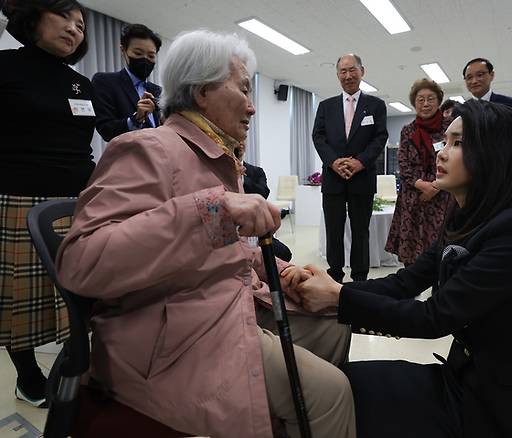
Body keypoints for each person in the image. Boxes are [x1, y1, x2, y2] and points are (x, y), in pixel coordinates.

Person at [56, 30, 356, 438]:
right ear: (200, 93)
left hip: (220, 307)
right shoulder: (149, 148)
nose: (252, 107)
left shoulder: (215, 158)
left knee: (335, 320)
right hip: (171, 338)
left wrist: (282, 270)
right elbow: (82, 262)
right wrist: (213, 210)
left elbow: (216, 250)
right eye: (245, 89)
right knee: (331, 393)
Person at [298, 101, 512, 438]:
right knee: (339, 383)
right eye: (445, 141)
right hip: (462, 379)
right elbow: (406, 281)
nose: (441, 153)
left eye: (459, 143)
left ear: (498, 154)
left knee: (341, 393)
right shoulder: (465, 216)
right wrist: (323, 289)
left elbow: (436, 316)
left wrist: (338, 298)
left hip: (503, 407)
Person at [0, 0, 95, 408]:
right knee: (17, 300)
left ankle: (74, 370)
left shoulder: (81, 84)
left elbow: (82, 148)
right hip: (17, 197)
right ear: (34, 17)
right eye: (65, 18)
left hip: (77, 201)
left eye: (81, 25)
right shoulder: (5, 68)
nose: (75, 30)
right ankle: (29, 380)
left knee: (78, 296)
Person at [312, 53, 388, 282]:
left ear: (362, 71)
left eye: (352, 70)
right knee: (334, 232)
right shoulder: (326, 106)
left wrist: (360, 162)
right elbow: (318, 137)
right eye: (343, 71)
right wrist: (334, 162)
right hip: (333, 179)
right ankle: (334, 277)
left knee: (361, 232)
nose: (348, 75)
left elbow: (380, 137)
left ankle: (359, 279)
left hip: (362, 178)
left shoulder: (376, 105)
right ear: (337, 75)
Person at [385, 78, 454, 266]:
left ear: (438, 101)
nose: (425, 104)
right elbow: (404, 163)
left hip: (442, 198)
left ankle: (440, 292)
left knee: (440, 253)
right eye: (420, 99)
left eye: (430, 98)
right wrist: (421, 184)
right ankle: (410, 293)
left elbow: (455, 160)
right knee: (411, 255)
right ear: (414, 103)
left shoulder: (450, 128)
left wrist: (435, 187)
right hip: (412, 197)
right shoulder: (408, 131)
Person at [92, 23, 162, 142]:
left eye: (151, 56)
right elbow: (106, 129)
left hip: (159, 156)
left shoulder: (157, 90)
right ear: (123, 50)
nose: (145, 60)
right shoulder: (105, 82)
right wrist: (135, 119)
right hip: (128, 157)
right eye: (138, 54)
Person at [235, 143, 293, 262]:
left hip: (256, 229)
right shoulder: (220, 171)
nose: (240, 145)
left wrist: (241, 178)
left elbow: (263, 193)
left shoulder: (256, 171)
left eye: (243, 141)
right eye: (236, 141)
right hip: (232, 232)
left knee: (285, 254)